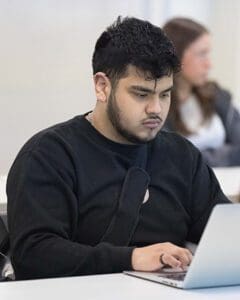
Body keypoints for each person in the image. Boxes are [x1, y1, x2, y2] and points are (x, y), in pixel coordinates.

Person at [7, 16, 230, 281]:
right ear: (102, 86)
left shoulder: (182, 156)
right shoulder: (48, 156)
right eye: (141, 94)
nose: (156, 109)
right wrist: (133, 258)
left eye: (165, 94)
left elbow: (226, 238)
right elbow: (33, 255)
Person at [163, 17, 240, 167]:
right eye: (202, 54)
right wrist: (226, 154)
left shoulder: (218, 95)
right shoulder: (157, 106)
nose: (209, 64)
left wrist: (203, 157)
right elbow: (172, 160)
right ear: (177, 56)